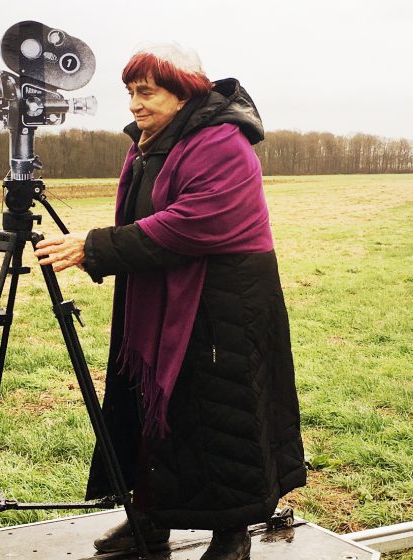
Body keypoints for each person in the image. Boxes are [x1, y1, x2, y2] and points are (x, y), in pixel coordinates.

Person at [33, 43, 306, 560]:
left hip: (223, 303)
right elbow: (146, 213)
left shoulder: (223, 143)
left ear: (184, 93)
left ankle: (232, 537)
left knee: (222, 417)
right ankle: (150, 523)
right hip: (160, 295)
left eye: (146, 92)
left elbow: (192, 223)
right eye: (130, 92)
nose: (134, 104)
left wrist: (95, 247)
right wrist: (107, 248)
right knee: (151, 411)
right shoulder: (151, 143)